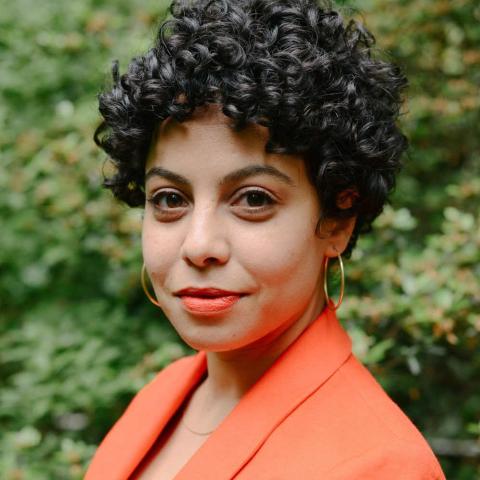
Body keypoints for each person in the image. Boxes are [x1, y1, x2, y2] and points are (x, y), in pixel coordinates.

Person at [85, 0, 446, 478]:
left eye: (253, 199)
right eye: (170, 199)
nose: (198, 245)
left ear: (337, 220)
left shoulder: (379, 465)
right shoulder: (163, 396)